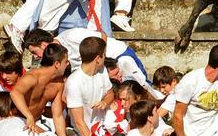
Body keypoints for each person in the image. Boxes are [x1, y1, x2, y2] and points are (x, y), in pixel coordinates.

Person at [23, 28, 151, 93]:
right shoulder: (56, 57)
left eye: (35, 52)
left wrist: (102, 63)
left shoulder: (70, 36)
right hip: (103, 70)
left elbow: (102, 36)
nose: (37, 56)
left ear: (44, 44)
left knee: (142, 87)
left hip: (118, 55)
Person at [9, 43, 69, 136]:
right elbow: (15, 93)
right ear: (57, 64)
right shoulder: (32, 77)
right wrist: (28, 116)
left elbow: (58, 116)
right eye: (66, 61)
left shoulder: (59, 84)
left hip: (34, 123)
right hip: (17, 120)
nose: (68, 64)